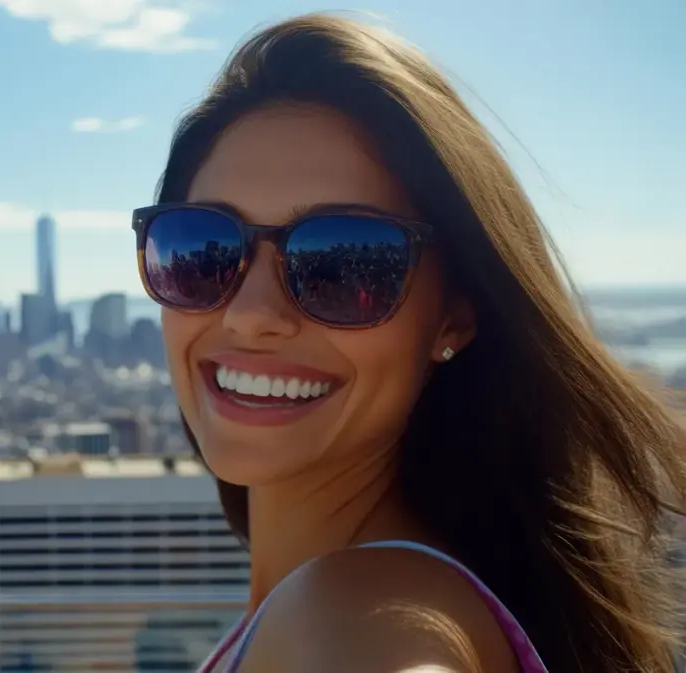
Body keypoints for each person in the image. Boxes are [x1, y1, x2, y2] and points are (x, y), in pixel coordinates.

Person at [133, 13, 686, 673]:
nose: (252, 315)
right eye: (201, 249)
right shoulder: (361, 596)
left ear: (453, 315)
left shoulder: (353, 614)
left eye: (347, 264)